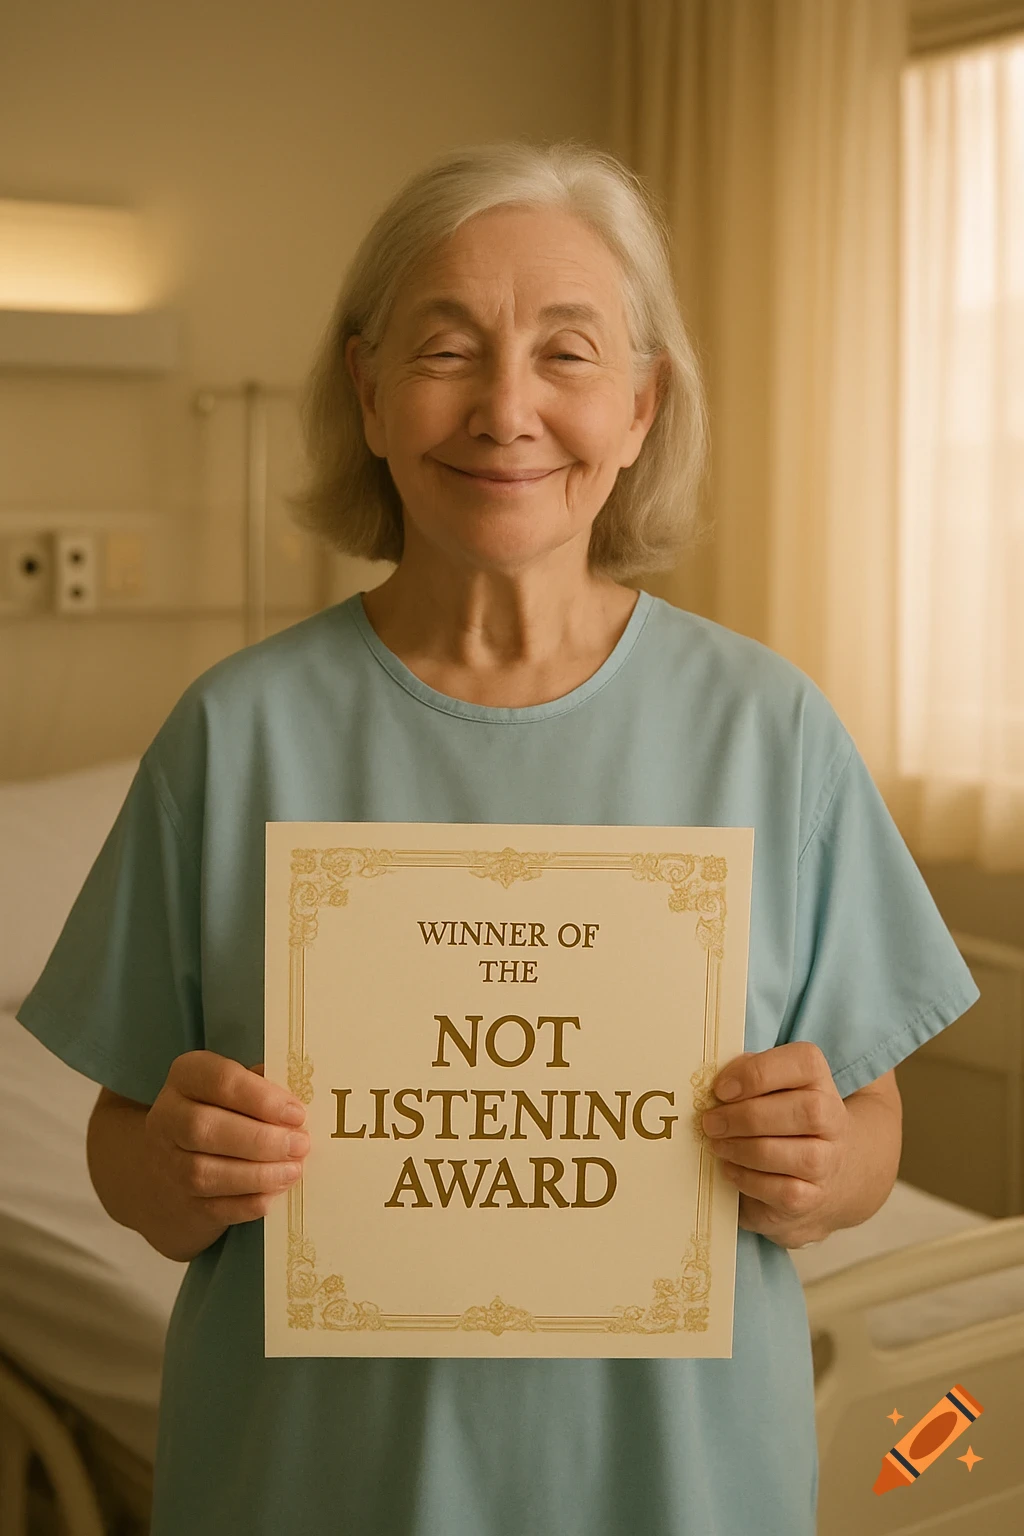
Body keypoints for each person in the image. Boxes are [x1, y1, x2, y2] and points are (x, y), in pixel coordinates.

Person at [17, 138, 978, 1536]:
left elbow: (872, 1110)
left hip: (677, 1485)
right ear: (367, 392)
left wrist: (834, 1165)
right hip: (313, 1481)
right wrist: (166, 1172)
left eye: (569, 355)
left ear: (643, 406)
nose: (506, 407)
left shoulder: (769, 731)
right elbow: (123, 1136)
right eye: (448, 348)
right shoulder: (237, 736)